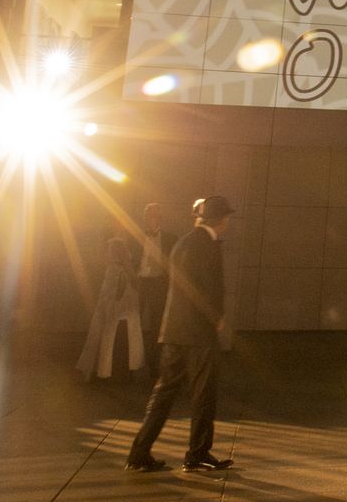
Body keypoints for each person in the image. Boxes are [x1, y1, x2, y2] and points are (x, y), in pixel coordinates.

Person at [127, 195, 235, 472]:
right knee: (203, 394)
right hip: (199, 333)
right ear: (220, 219)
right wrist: (216, 318)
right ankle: (197, 453)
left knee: (164, 393)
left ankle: (139, 452)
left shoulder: (183, 242)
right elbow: (207, 288)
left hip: (173, 331)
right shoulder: (208, 246)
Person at [77, 236, 144, 380]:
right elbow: (128, 285)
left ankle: (105, 369)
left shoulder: (116, 268)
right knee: (106, 334)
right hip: (113, 305)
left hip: (118, 306)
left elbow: (124, 287)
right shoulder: (115, 268)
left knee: (108, 335)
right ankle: (105, 369)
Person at [134, 202, 176, 378]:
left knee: (157, 326)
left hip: (159, 285)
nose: (151, 219)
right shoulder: (135, 236)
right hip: (139, 284)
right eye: (148, 215)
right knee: (133, 323)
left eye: (155, 215)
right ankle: (132, 365)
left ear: (160, 219)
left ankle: (154, 367)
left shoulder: (170, 239)